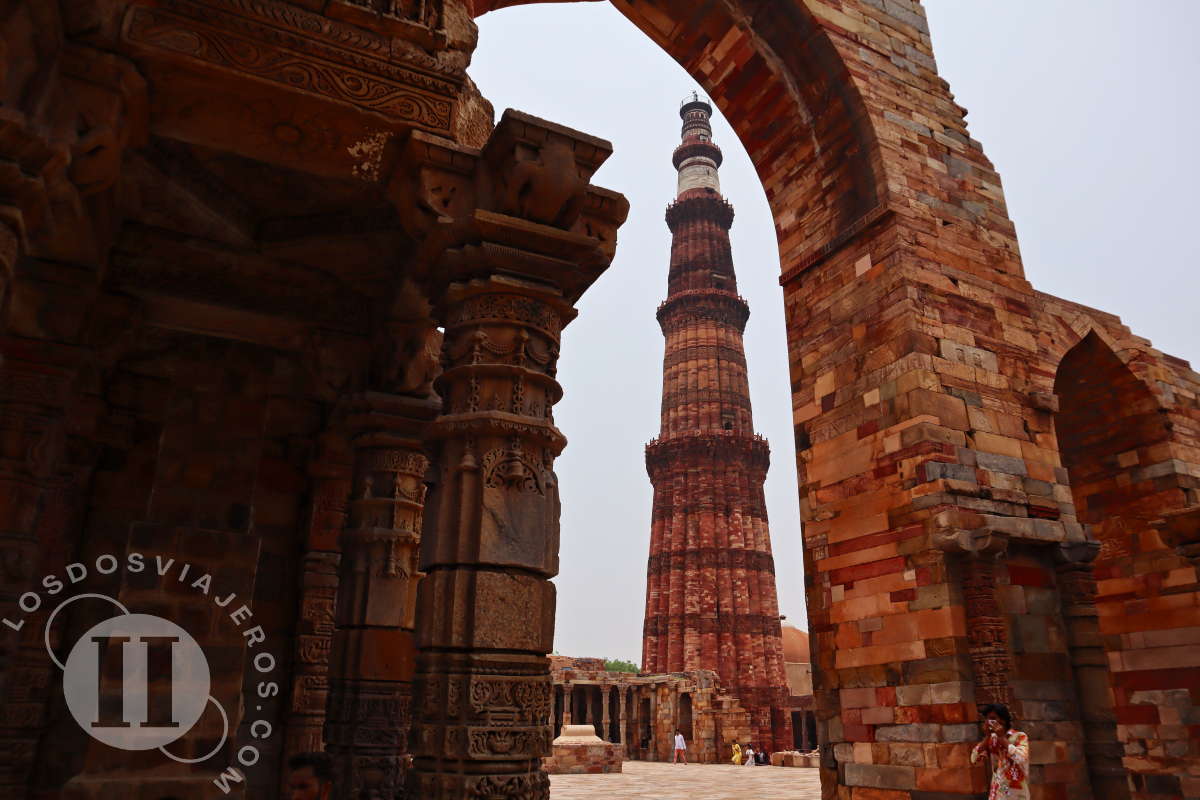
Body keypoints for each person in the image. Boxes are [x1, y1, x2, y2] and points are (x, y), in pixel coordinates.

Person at [970, 703, 1030, 800]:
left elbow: (1021, 759)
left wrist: (1002, 738)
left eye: (992, 718)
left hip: (1016, 793)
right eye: (987, 719)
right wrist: (987, 737)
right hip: (998, 791)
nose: (989, 722)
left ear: (1003, 720)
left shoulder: (1020, 737)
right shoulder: (991, 739)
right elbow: (974, 759)